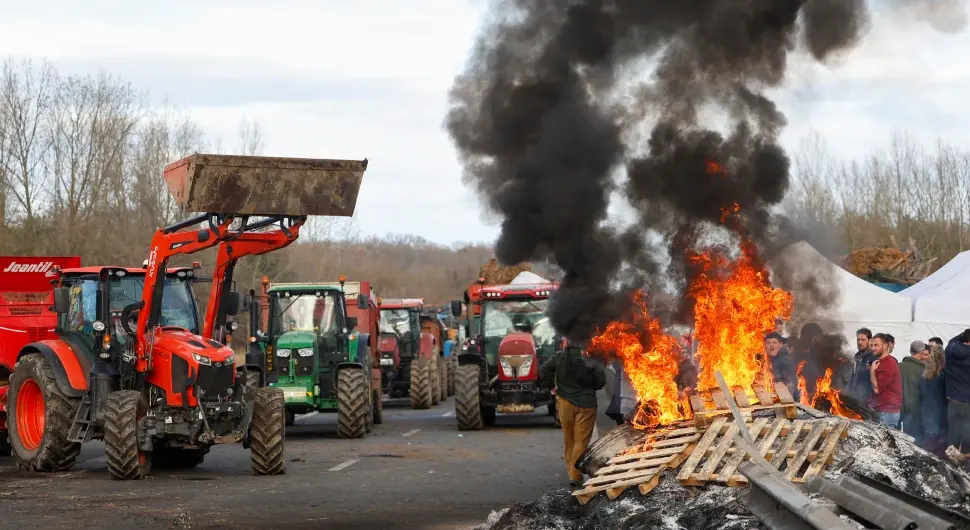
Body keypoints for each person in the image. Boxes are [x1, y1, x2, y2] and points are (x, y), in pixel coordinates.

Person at [539, 340, 606, 486]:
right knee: (580, 441)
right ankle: (575, 476)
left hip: (565, 403)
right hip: (587, 405)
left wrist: (552, 385)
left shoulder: (559, 357)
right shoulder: (591, 359)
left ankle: (571, 472)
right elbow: (601, 381)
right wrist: (591, 386)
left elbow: (543, 370)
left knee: (569, 439)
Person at [869, 333, 903, 428]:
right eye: (871, 345)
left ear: (885, 346)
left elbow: (877, 389)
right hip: (882, 410)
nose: (872, 348)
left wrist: (872, 371)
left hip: (887, 412)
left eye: (876, 345)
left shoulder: (888, 364)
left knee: (883, 442)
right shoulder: (881, 362)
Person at [944, 329, 970, 453]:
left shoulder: (950, 350)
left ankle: (950, 466)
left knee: (953, 434)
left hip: (953, 402)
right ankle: (966, 466)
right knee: (967, 436)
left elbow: (951, 341)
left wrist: (963, 335)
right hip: (968, 403)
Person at [921, 343, 948, 457]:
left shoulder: (925, 373)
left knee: (929, 441)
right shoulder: (943, 375)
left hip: (927, 409)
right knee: (939, 442)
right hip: (940, 411)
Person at [899, 340, 928, 444]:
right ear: (921, 352)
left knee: (906, 441)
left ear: (910, 351)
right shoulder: (923, 370)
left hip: (901, 409)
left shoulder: (899, 366)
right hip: (916, 411)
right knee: (917, 441)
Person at [845, 328, 876, 401]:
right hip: (854, 399)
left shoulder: (874, 357)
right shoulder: (857, 357)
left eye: (863, 340)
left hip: (867, 402)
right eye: (858, 340)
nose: (860, 342)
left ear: (870, 340)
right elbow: (853, 378)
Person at [764, 332, 797, 399]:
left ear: (780, 344)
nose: (771, 345)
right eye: (768, 343)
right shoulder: (767, 360)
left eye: (774, 342)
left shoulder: (784, 360)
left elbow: (790, 384)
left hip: (783, 401)